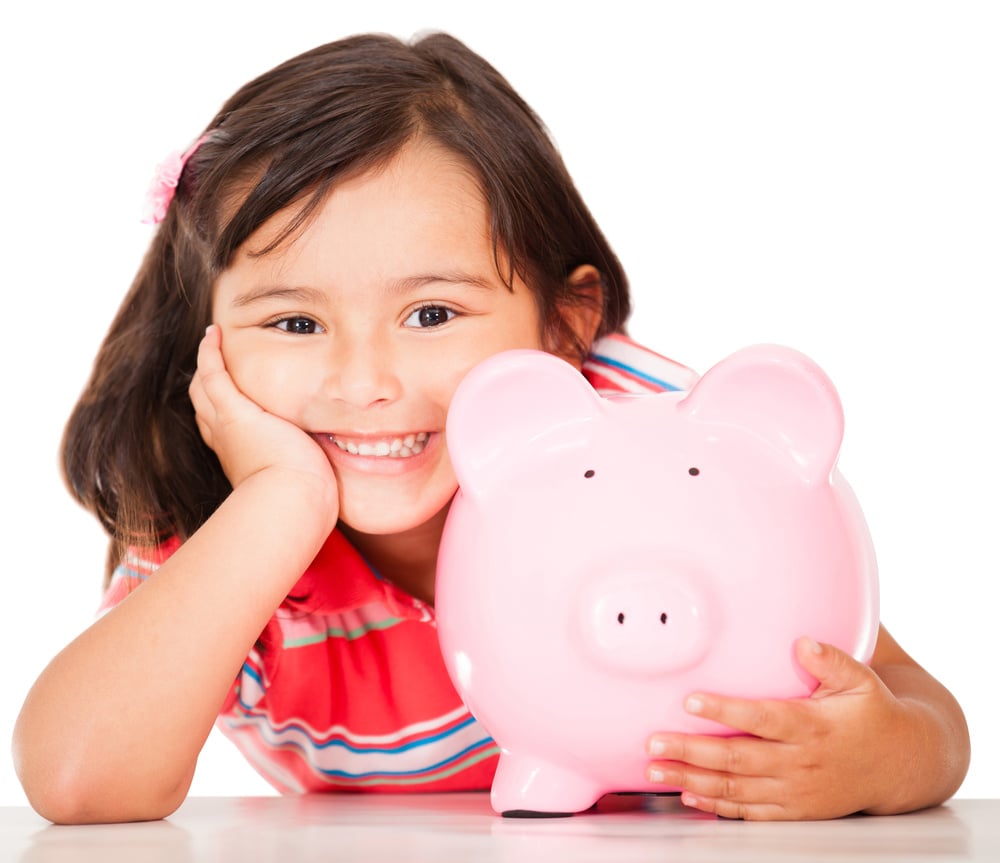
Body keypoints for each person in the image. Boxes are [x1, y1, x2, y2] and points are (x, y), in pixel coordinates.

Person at [12, 32, 969, 825]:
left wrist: (883, 759)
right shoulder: (222, 496)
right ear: (209, 342)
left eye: (432, 314)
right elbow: (80, 782)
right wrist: (278, 506)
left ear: (564, 327)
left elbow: (920, 708)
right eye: (294, 323)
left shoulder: (649, 444)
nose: (365, 383)